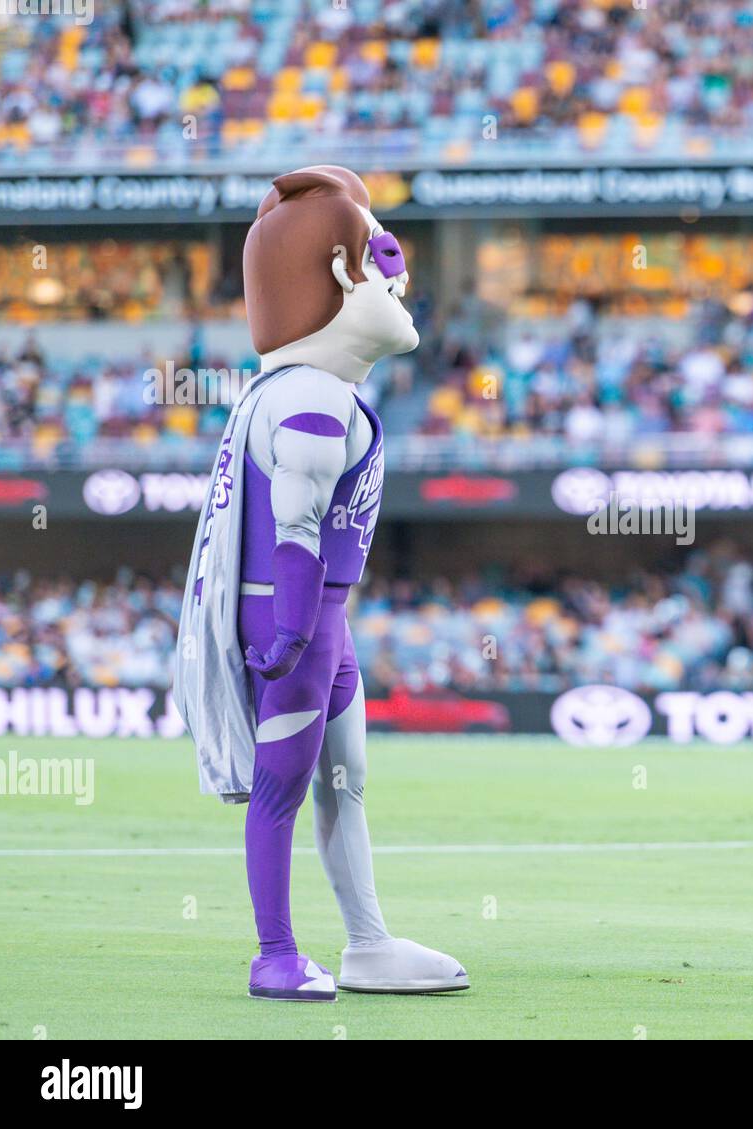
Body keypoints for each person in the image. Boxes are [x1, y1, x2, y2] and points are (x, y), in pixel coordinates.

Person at [175, 166, 468, 1001]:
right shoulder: (308, 397)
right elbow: (297, 530)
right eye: (383, 253)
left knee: (344, 782)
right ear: (340, 273)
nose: (401, 276)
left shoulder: (311, 389)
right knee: (283, 788)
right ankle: (274, 952)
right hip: (297, 623)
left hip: (319, 626)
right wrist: (295, 632)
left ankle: (368, 941)